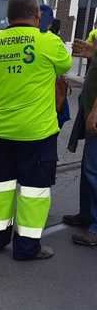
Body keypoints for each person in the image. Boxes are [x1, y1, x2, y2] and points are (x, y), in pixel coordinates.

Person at [0, 0, 72, 260]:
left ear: (8, 16)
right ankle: (26, 248)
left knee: (0, 187)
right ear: (37, 16)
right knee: (33, 192)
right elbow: (66, 62)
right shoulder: (46, 41)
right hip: (36, 135)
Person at [64, 38, 97, 246]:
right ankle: (86, 214)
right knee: (88, 168)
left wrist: (95, 111)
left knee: (94, 171)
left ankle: (95, 227)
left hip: (95, 114)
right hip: (89, 111)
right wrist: (93, 54)